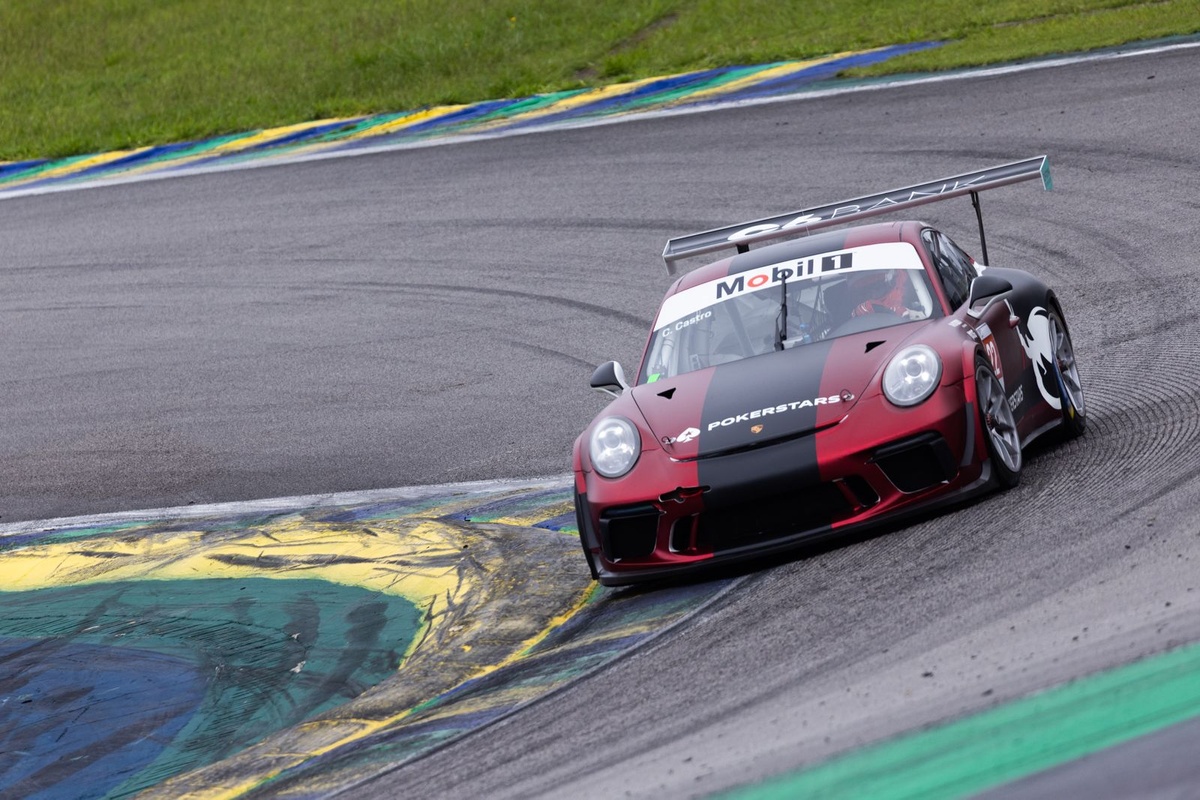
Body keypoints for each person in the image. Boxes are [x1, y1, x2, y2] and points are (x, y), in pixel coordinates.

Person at [848, 269, 922, 319]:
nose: (873, 292)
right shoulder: (863, 309)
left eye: (877, 286)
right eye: (866, 290)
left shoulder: (906, 278)